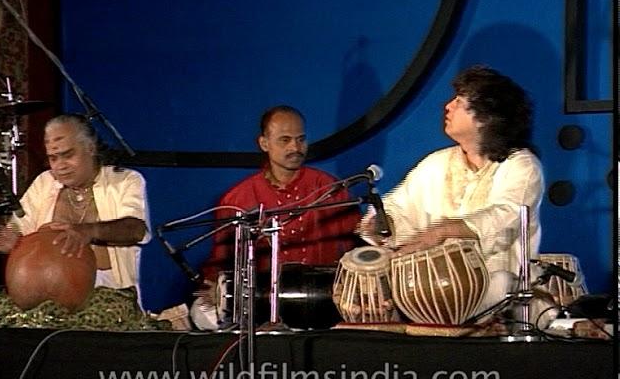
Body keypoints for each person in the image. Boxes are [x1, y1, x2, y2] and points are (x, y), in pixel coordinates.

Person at [358, 65, 545, 322]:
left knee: (500, 282)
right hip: (432, 289)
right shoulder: (437, 163)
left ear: (485, 117)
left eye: (458, 102)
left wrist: (443, 231)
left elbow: (506, 215)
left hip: (498, 291)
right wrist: (384, 222)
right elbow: (399, 207)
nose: (447, 107)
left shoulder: (521, 165)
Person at [0, 113, 168, 330]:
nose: (60, 166)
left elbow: (135, 229)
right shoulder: (45, 183)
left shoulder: (125, 180)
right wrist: (8, 240)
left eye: (68, 155)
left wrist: (88, 231)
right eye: (53, 158)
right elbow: (18, 228)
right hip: (42, 305)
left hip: (108, 297)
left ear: (90, 148)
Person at [192, 105, 362, 329]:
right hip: (260, 305)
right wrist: (213, 287)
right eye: (285, 140)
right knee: (201, 313)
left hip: (322, 301)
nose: (295, 147)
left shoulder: (329, 189)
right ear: (264, 143)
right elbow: (220, 263)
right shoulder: (238, 199)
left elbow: (358, 249)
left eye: (301, 139)